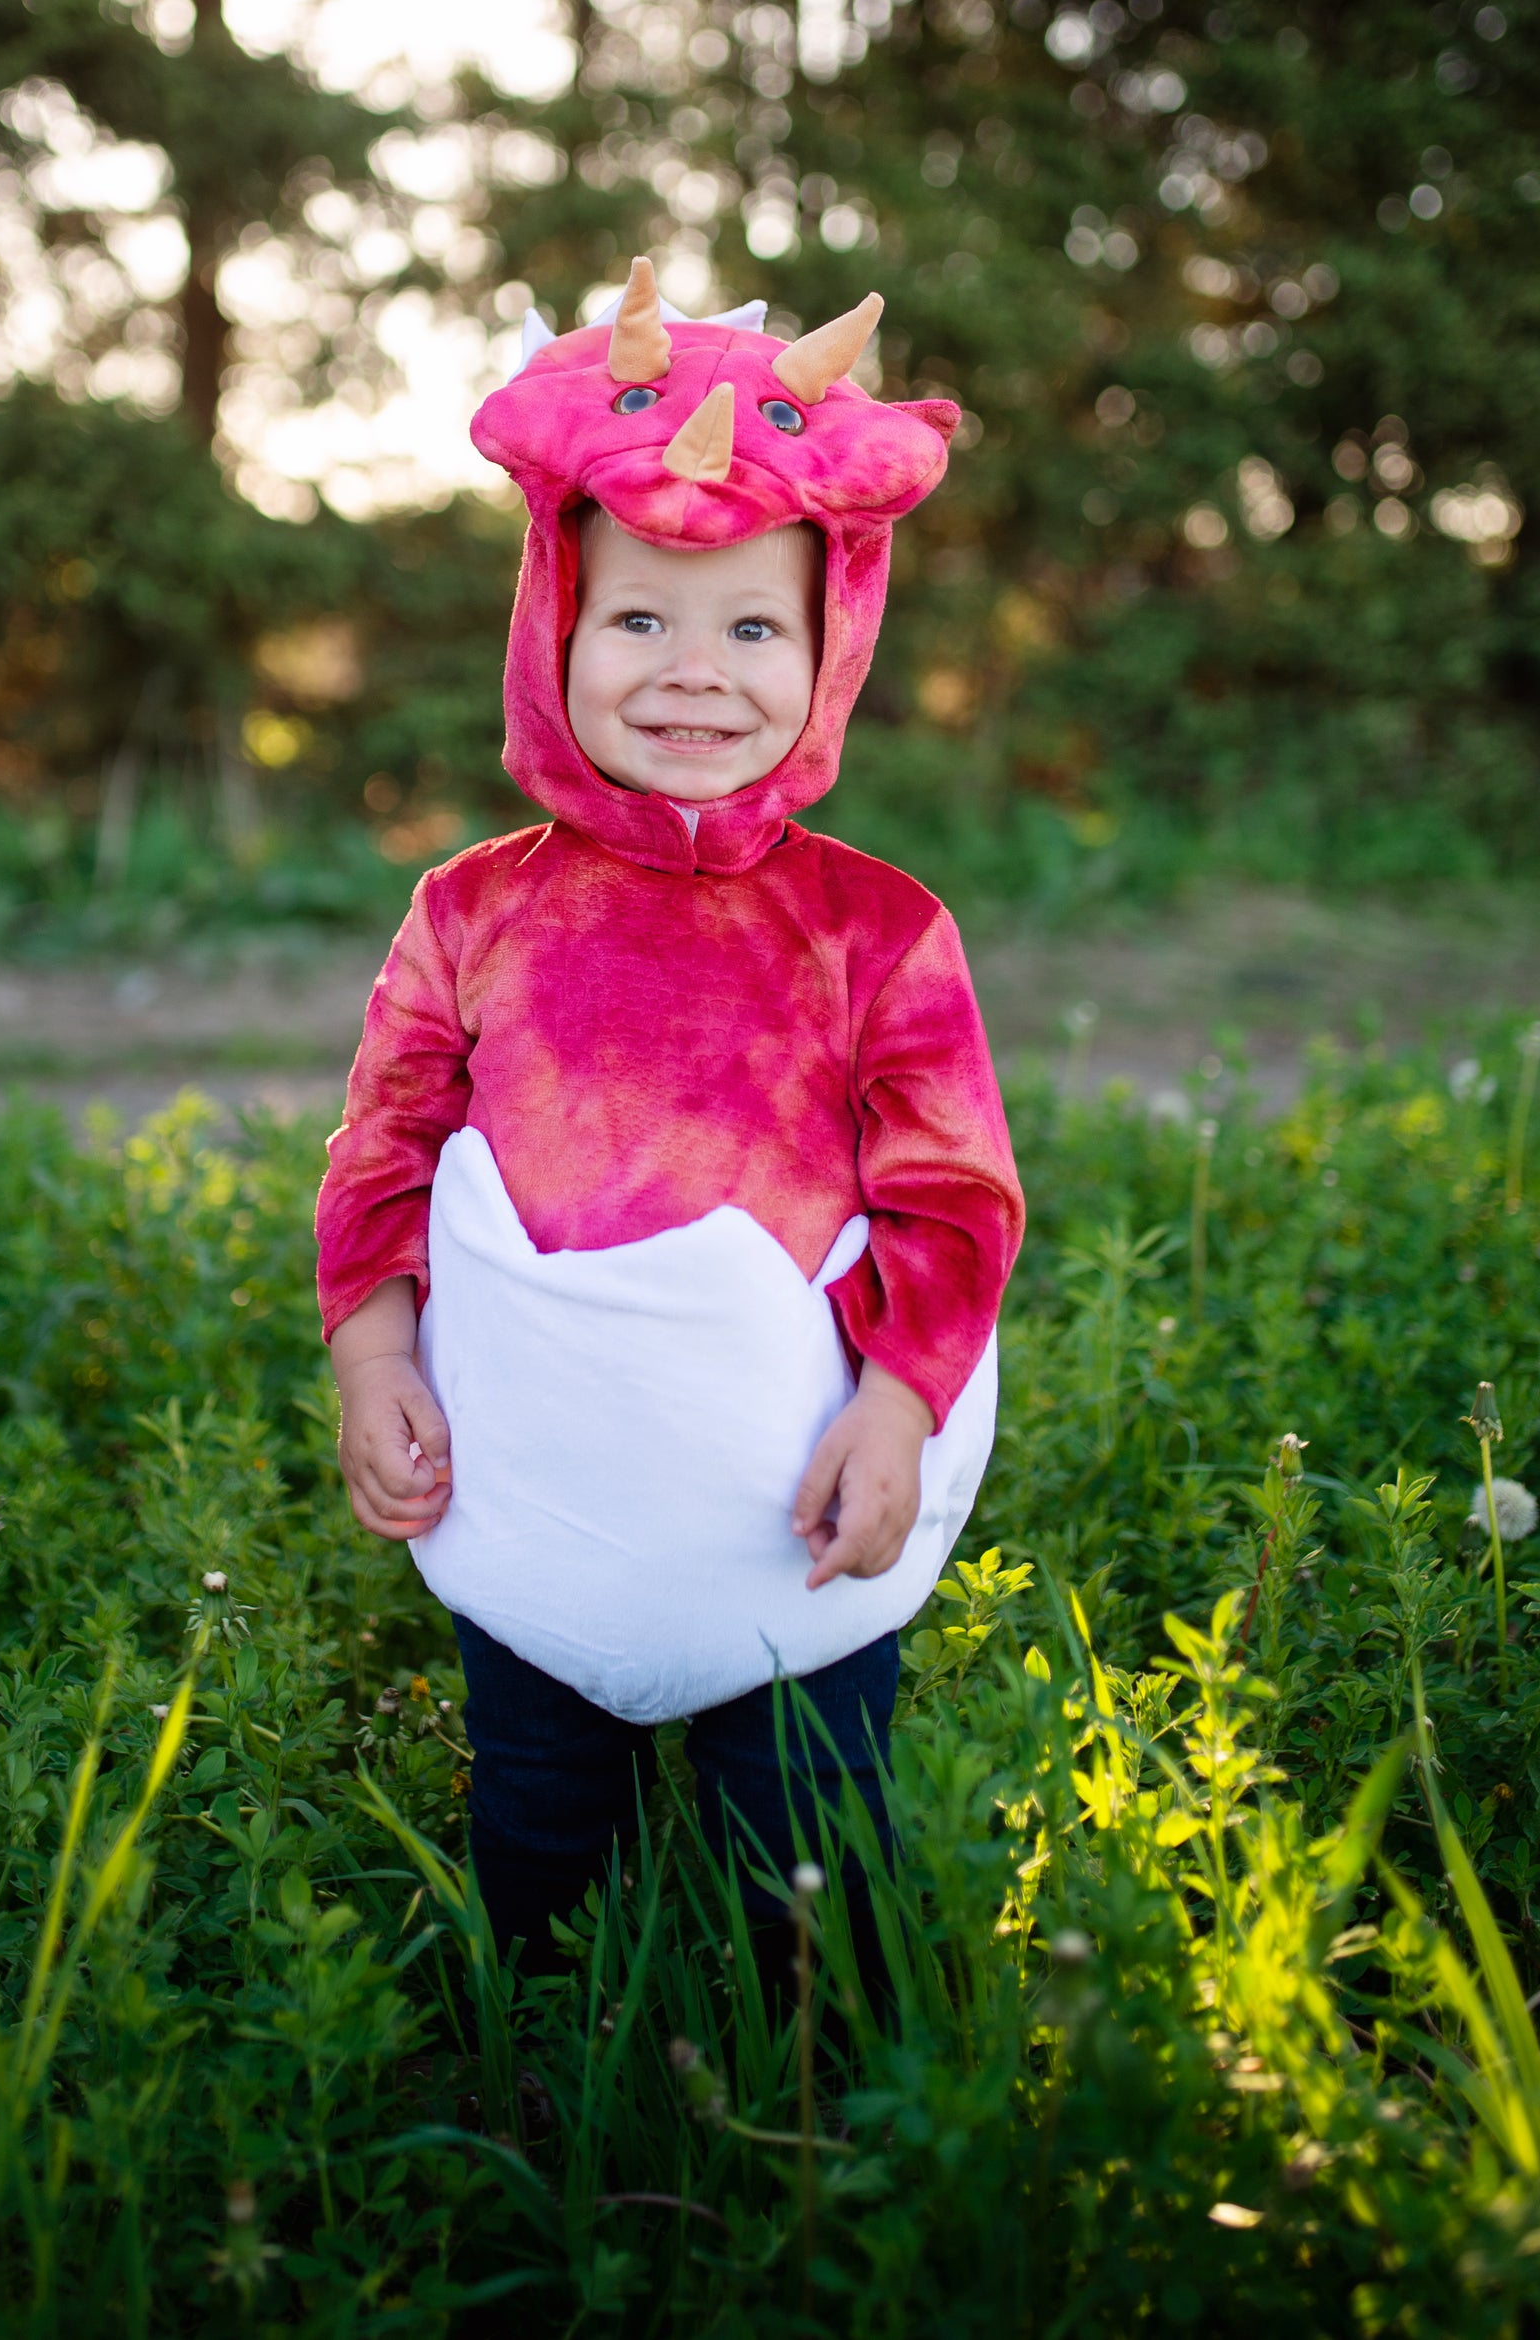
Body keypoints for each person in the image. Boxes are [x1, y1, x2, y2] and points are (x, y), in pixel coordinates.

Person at [316, 260, 1024, 1968]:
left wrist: (896, 1405)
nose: (694, 671)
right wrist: (374, 1352)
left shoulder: (877, 924)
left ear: (830, 645)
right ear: (552, 627)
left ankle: (809, 2093)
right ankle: (539, 2047)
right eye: (640, 617)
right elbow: (384, 1150)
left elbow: (952, 1198)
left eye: (752, 627)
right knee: (536, 1814)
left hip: (789, 1493)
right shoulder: (473, 909)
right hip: (538, 1477)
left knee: (806, 1831)